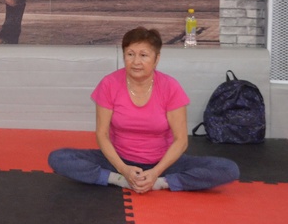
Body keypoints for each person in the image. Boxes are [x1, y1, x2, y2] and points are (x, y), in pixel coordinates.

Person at [48, 27, 240, 193]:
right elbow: (102, 134)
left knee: (228, 169)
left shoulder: (170, 87)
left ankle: (162, 183)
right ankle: (118, 181)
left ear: (156, 59)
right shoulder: (109, 83)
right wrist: (123, 171)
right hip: (117, 162)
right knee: (58, 158)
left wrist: (156, 173)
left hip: (162, 164)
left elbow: (181, 140)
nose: (136, 62)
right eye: (130, 54)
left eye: (143, 55)